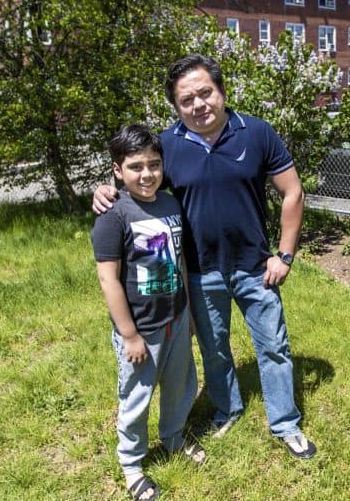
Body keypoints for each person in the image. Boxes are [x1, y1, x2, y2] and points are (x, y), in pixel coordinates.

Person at [93, 54, 316, 460]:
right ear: (176, 107)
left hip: (256, 268)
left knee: (274, 348)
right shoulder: (168, 146)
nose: (198, 105)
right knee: (214, 350)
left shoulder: (257, 133)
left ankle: (285, 422)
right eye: (186, 100)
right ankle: (227, 408)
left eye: (204, 93)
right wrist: (104, 190)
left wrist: (285, 254)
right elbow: (139, 183)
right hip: (200, 272)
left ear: (222, 90)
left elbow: (293, 192)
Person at [91, 124, 206, 501]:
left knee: (180, 386)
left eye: (154, 165)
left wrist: (187, 311)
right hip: (141, 330)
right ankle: (132, 464)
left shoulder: (171, 204)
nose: (147, 174)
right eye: (136, 166)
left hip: (175, 319)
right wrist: (129, 335)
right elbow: (108, 280)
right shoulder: (114, 215)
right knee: (136, 397)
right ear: (117, 170)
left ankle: (173, 437)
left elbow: (181, 259)